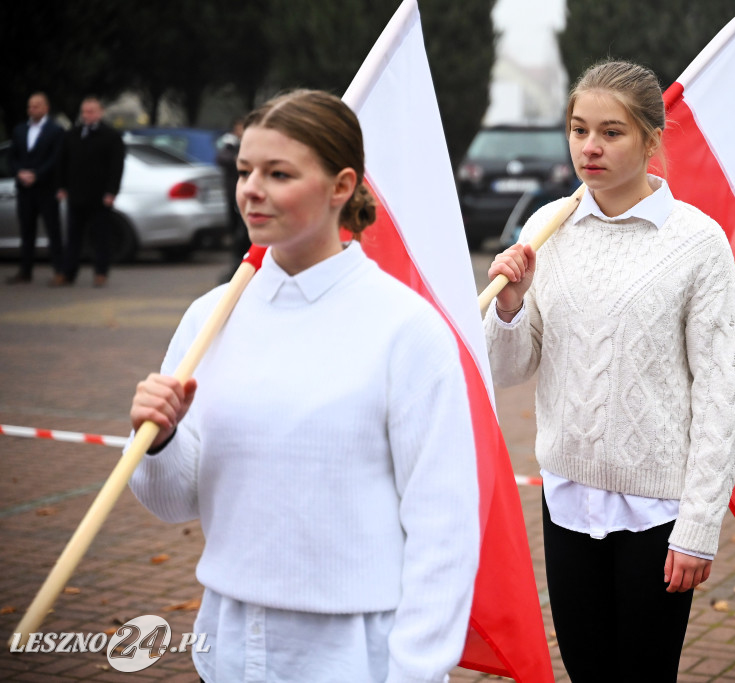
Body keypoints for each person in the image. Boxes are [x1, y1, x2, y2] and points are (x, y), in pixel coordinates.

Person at [127, 90, 479, 682]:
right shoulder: (210, 318)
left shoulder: (406, 328)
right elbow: (173, 500)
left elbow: (444, 525)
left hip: (357, 647)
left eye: (278, 173)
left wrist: (416, 670)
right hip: (231, 639)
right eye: (244, 171)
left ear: (341, 186)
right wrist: (157, 441)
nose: (251, 189)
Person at [484, 60, 735, 681]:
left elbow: (723, 391)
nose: (590, 147)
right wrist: (510, 303)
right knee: (586, 669)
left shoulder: (698, 241)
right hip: (567, 495)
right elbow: (512, 366)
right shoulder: (548, 228)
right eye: (578, 130)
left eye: (611, 132)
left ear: (651, 139)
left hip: (658, 509)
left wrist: (700, 524)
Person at [55, 96, 125, 287]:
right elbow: (63, 162)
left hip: (100, 197)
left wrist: (111, 192)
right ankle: (68, 273)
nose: (87, 115)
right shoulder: (73, 134)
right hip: (76, 195)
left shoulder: (110, 136)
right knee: (73, 236)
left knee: (101, 236)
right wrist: (61, 187)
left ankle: (101, 272)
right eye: (84, 111)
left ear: (100, 112)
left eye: (91, 111)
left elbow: (116, 167)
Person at [7, 92, 64, 285]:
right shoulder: (20, 129)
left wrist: (37, 174)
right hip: (25, 189)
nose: (32, 109)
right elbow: (12, 156)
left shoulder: (56, 130)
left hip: (46, 189)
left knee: (53, 230)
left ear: (46, 108)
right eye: (30, 106)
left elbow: (56, 159)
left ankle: (59, 271)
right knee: (26, 231)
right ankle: (25, 271)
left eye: (36, 106)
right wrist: (19, 172)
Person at [215, 118, 250, 283]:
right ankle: (237, 265)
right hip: (232, 194)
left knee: (245, 232)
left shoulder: (251, 143)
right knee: (238, 231)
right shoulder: (230, 143)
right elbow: (222, 159)